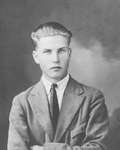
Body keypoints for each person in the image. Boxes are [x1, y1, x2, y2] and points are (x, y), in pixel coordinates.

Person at [7, 22, 109, 150]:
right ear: (36, 57)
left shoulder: (92, 98)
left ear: (69, 53)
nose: (55, 59)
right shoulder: (21, 102)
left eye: (61, 51)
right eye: (47, 52)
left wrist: (46, 149)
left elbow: (98, 147)